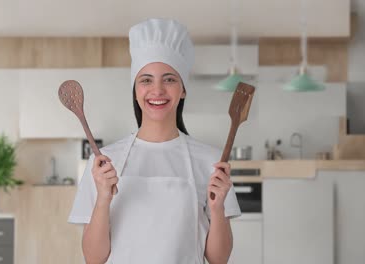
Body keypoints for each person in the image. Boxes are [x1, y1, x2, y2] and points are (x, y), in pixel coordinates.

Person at [68, 18, 241, 264]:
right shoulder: (104, 163)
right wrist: (103, 199)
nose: (157, 90)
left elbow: (218, 259)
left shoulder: (212, 161)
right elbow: (93, 259)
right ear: (135, 90)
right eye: (146, 80)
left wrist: (217, 208)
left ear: (183, 89)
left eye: (169, 79)